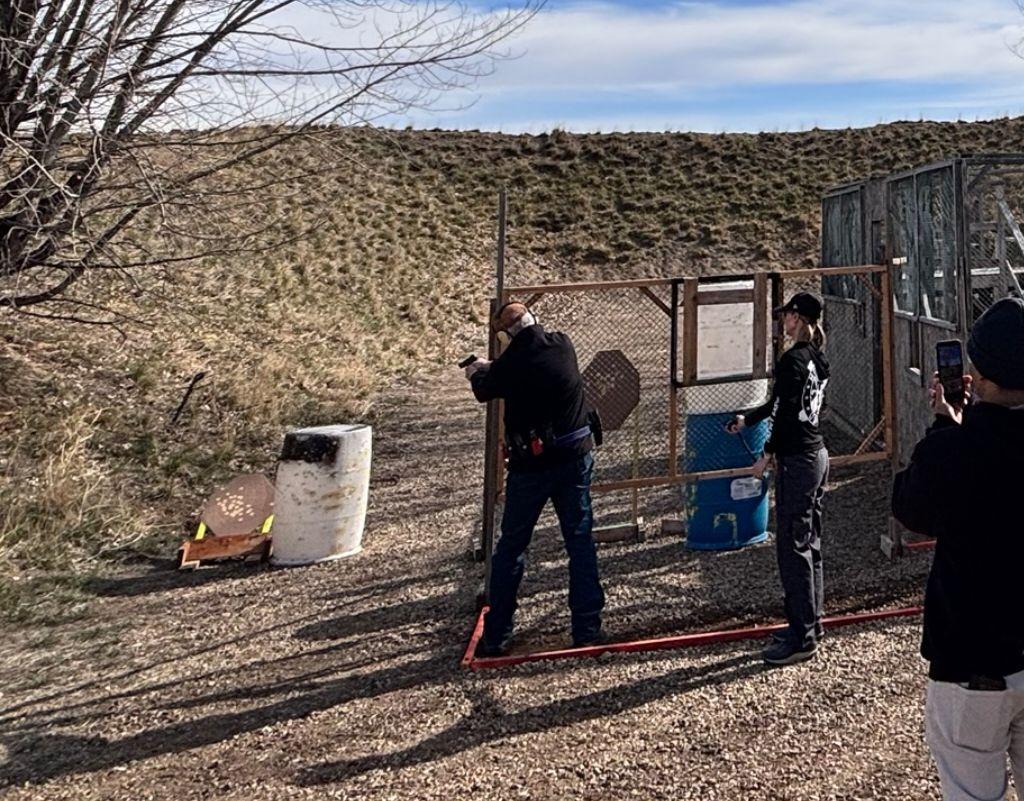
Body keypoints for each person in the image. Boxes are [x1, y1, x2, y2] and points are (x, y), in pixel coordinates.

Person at [892, 297, 1024, 801]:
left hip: (973, 665)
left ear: (976, 371)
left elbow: (911, 505)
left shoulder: (956, 449)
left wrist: (947, 424)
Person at [465, 301, 605, 656]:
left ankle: (497, 636)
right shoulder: (563, 343)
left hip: (531, 467)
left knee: (511, 547)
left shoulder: (511, 365)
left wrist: (477, 372)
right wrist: (496, 367)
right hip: (574, 458)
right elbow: (528, 365)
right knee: (580, 541)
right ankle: (587, 627)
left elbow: (485, 388)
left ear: (507, 334)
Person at [727, 291, 831, 666]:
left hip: (797, 460)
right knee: (810, 544)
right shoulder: (817, 358)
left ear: (799, 319)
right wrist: (746, 420)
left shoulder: (792, 360)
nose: (783, 321)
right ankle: (811, 622)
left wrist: (766, 455)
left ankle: (802, 636)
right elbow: (778, 403)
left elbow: (786, 414)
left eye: (788, 315)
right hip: (816, 456)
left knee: (793, 548)